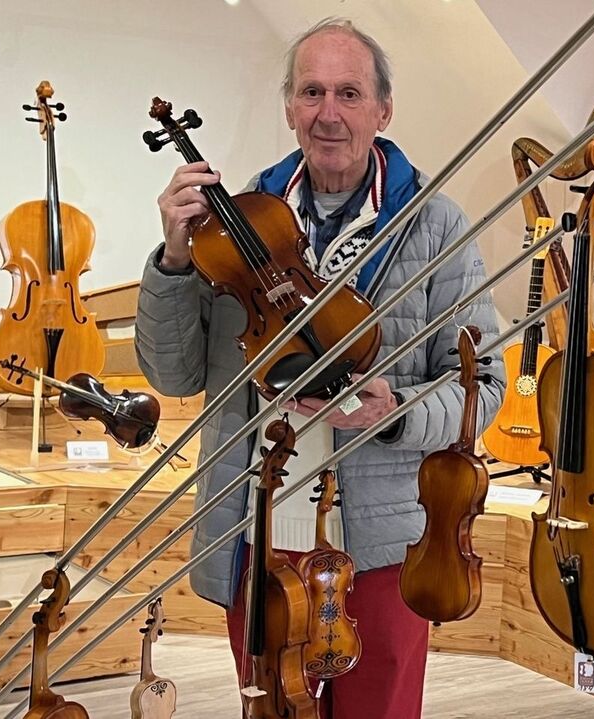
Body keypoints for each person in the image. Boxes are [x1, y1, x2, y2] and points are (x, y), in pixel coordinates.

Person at [135, 17, 503, 719]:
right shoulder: (232, 223)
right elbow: (176, 373)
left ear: (382, 110)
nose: (328, 113)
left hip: (382, 549)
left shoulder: (435, 226)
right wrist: (175, 264)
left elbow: (481, 388)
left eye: (348, 92)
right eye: (311, 91)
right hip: (261, 536)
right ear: (289, 108)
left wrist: (390, 414)